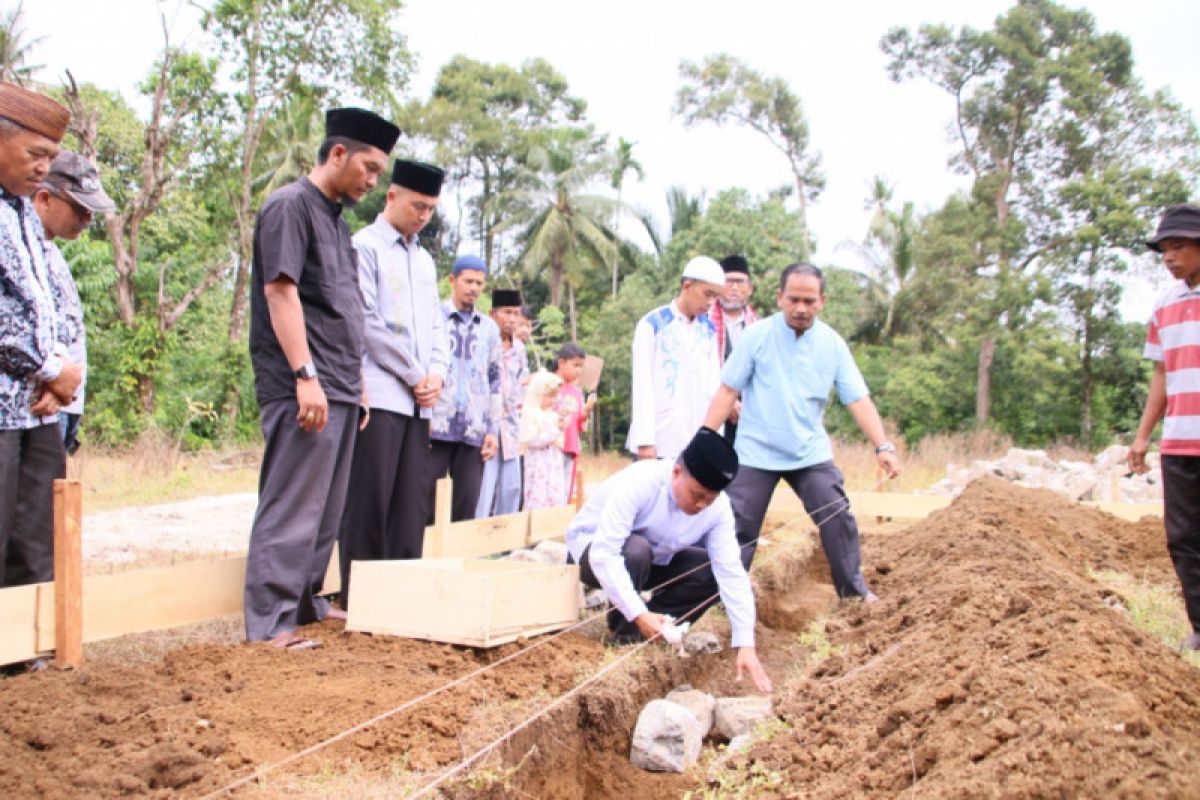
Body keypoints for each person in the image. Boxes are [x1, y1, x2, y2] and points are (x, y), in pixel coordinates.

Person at [244, 107, 399, 648]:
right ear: (338, 154)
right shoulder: (289, 207)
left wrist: (354, 379)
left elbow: (344, 307)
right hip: (302, 382)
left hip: (339, 383)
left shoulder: (336, 220)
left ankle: (306, 600)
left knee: (327, 505)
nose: (374, 182)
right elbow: (281, 293)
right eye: (371, 169)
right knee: (293, 501)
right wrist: (304, 375)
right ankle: (269, 622)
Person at [703, 263, 900, 599]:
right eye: (793, 299)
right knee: (737, 528)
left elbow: (858, 399)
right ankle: (720, 600)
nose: (800, 308)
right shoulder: (757, 337)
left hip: (808, 453)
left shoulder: (833, 344)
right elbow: (726, 392)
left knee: (838, 518)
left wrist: (883, 446)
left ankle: (854, 596)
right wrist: (704, 440)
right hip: (755, 452)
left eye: (809, 301)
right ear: (780, 298)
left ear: (822, 301)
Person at [565, 427, 772, 693]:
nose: (701, 505)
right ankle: (625, 633)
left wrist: (745, 642)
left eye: (710, 499)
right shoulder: (642, 482)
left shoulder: (717, 509)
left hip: (653, 559)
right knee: (636, 551)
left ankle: (657, 628)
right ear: (676, 472)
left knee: (708, 571)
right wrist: (637, 612)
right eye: (697, 495)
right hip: (591, 551)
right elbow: (605, 553)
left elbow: (730, 571)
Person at [336, 159, 447, 609]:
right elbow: (365, 322)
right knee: (370, 500)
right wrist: (414, 373)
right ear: (391, 197)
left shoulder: (424, 261)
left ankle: (403, 598)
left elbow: (436, 328)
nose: (422, 216)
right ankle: (361, 598)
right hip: (380, 393)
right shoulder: (364, 247)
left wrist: (436, 373)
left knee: (410, 506)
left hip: (421, 401)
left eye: (430, 209)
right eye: (417, 205)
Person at [0, 82, 82, 588]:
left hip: (35, 407)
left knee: (33, 538)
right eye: (34, 154)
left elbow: (42, 306)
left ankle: (22, 653)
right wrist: (53, 369)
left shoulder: (25, 215)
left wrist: (56, 377)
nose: (41, 168)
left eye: (49, 158)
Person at [1128, 203, 1200, 653]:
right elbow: (1161, 375)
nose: (1169, 257)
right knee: (1184, 538)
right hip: (1180, 442)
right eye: (1164, 250)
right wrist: (1142, 435)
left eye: (1178, 247)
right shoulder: (1164, 306)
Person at [33, 151, 116, 455]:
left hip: (65, 407)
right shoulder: (17, 253)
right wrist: (51, 376)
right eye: (79, 208)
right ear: (44, 199)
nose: (88, 219)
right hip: (40, 405)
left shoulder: (53, 254)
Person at [626, 255, 725, 461]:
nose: (710, 302)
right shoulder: (653, 324)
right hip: (660, 439)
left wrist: (715, 437)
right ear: (687, 286)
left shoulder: (709, 329)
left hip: (697, 440)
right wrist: (645, 440)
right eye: (707, 294)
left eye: (715, 296)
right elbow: (642, 385)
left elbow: (714, 385)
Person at [428, 254, 502, 521]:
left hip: (474, 429)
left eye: (479, 283)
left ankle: (458, 562)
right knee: (422, 503)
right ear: (453, 280)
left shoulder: (490, 329)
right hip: (435, 425)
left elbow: (495, 381)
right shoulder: (433, 317)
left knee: (466, 506)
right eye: (468, 281)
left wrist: (493, 430)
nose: (473, 288)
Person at [475, 288, 528, 517]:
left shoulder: (520, 350)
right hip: (485, 426)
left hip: (512, 428)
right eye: (507, 312)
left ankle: (505, 548)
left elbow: (522, 386)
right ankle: (476, 544)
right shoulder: (482, 341)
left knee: (512, 488)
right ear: (492, 313)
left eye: (516, 313)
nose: (513, 319)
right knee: (484, 489)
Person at [711, 254, 761, 446]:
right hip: (710, 409)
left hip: (748, 416)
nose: (734, 288)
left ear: (750, 289)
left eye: (740, 283)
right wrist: (728, 402)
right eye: (728, 282)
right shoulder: (703, 323)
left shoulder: (759, 327)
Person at [554, 342, 594, 502]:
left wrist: (586, 412)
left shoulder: (576, 392)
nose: (579, 370)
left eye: (581, 366)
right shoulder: (551, 386)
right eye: (575, 365)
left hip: (571, 448)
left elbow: (578, 424)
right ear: (561, 362)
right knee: (553, 492)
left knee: (566, 494)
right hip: (554, 448)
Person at [520, 370, 566, 509]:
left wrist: (561, 426)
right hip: (538, 463)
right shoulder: (531, 414)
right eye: (549, 396)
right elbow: (533, 440)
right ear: (537, 394)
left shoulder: (553, 415)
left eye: (555, 396)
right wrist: (555, 430)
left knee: (554, 494)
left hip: (553, 463)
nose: (554, 399)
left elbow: (558, 441)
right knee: (538, 495)